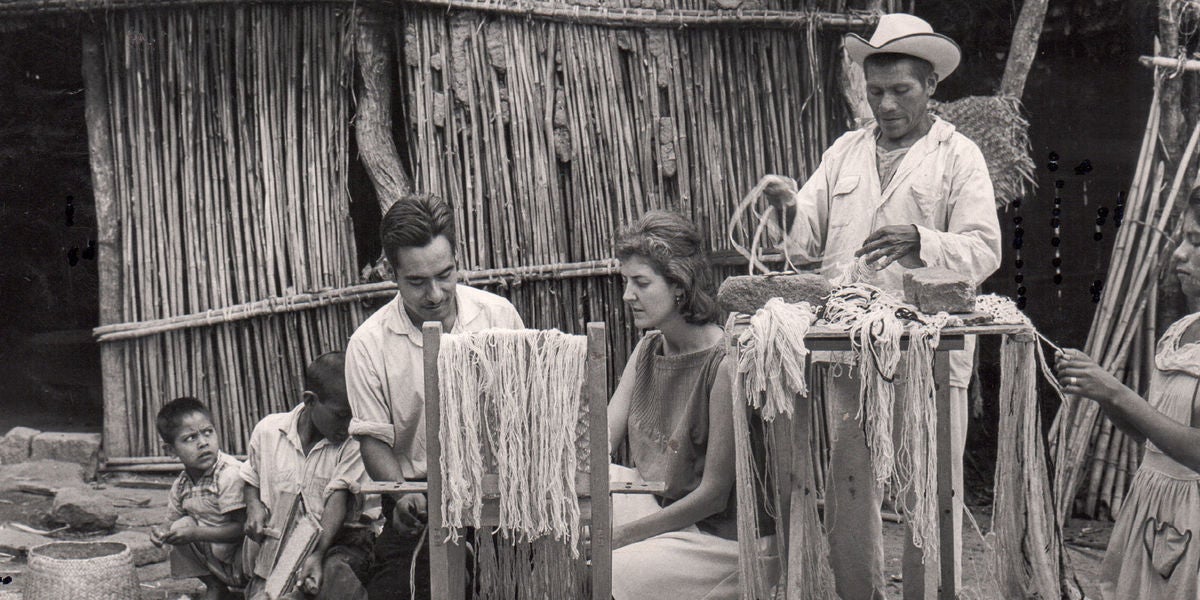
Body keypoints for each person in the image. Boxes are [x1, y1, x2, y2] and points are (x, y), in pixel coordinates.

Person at [756, 13, 1001, 599]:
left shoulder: (956, 155)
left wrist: (922, 240)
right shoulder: (844, 151)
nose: (885, 105)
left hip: (930, 353)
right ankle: (856, 593)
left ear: (931, 86)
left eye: (900, 91)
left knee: (928, 492)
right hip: (850, 344)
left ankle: (929, 594)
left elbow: (985, 247)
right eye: (875, 93)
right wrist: (787, 207)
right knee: (850, 487)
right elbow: (803, 242)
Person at [345, 194, 524, 599]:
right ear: (391, 272)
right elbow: (373, 441)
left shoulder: (499, 317)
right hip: (419, 501)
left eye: (445, 275)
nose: (436, 294)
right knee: (398, 589)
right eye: (417, 281)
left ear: (458, 259)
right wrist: (403, 493)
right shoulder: (369, 344)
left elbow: (523, 415)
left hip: (500, 490)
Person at [1055, 192, 1200, 599]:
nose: (1179, 255)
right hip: (1154, 510)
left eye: (1197, 241)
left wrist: (1116, 392)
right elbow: (1155, 436)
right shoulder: (1182, 330)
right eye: (1183, 240)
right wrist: (1099, 391)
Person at [607, 210, 753, 600]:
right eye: (626, 282)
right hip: (664, 507)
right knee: (588, 485)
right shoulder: (647, 350)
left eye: (641, 282)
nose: (627, 296)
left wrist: (619, 537)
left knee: (609, 573)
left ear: (678, 285)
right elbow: (597, 448)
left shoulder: (724, 363)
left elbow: (713, 496)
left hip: (721, 539)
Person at [242, 352, 379, 599]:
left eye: (354, 415)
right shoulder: (268, 431)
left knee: (334, 576)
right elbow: (251, 476)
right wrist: (254, 507)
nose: (349, 424)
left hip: (340, 542)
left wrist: (317, 553)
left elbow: (339, 497)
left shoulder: (355, 442)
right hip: (281, 544)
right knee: (262, 592)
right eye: (341, 415)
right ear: (310, 400)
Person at [150, 397, 247, 600]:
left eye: (208, 432)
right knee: (179, 526)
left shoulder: (229, 473)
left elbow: (242, 529)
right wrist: (161, 532)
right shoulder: (182, 484)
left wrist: (196, 534)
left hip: (243, 556)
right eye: (190, 438)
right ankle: (215, 586)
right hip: (214, 554)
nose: (203, 443)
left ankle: (253, 588)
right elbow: (170, 520)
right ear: (170, 451)